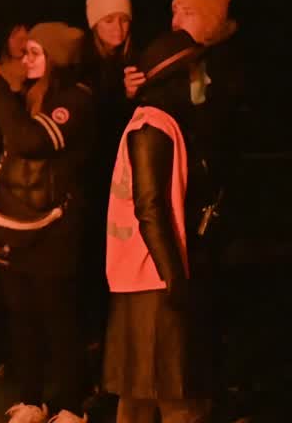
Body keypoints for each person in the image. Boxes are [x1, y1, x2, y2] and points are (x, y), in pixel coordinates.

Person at [0, 22, 94, 423]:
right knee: (22, 315)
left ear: (58, 59)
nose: (26, 59)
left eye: (36, 53)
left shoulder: (76, 100)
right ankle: (31, 399)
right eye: (27, 52)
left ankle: (72, 405)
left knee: (58, 318)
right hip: (16, 222)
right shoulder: (25, 97)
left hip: (56, 228)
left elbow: (30, 142)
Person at [104, 31, 216, 423]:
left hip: (137, 274)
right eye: (199, 72)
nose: (206, 80)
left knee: (138, 394)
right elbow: (149, 207)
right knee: (176, 395)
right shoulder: (154, 127)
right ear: (179, 79)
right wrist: (175, 279)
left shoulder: (155, 122)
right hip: (151, 276)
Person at [76, 0, 137, 379]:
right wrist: (122, 96)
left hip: (124, 182)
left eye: (123, 20)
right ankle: (88, 353)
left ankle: (114, 354)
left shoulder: (135, 63)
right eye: (109, 20)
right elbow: (92, 124)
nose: (117, 27)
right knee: (87, 266)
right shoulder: (83, 66)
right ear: (95, 24)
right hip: (89, 182)